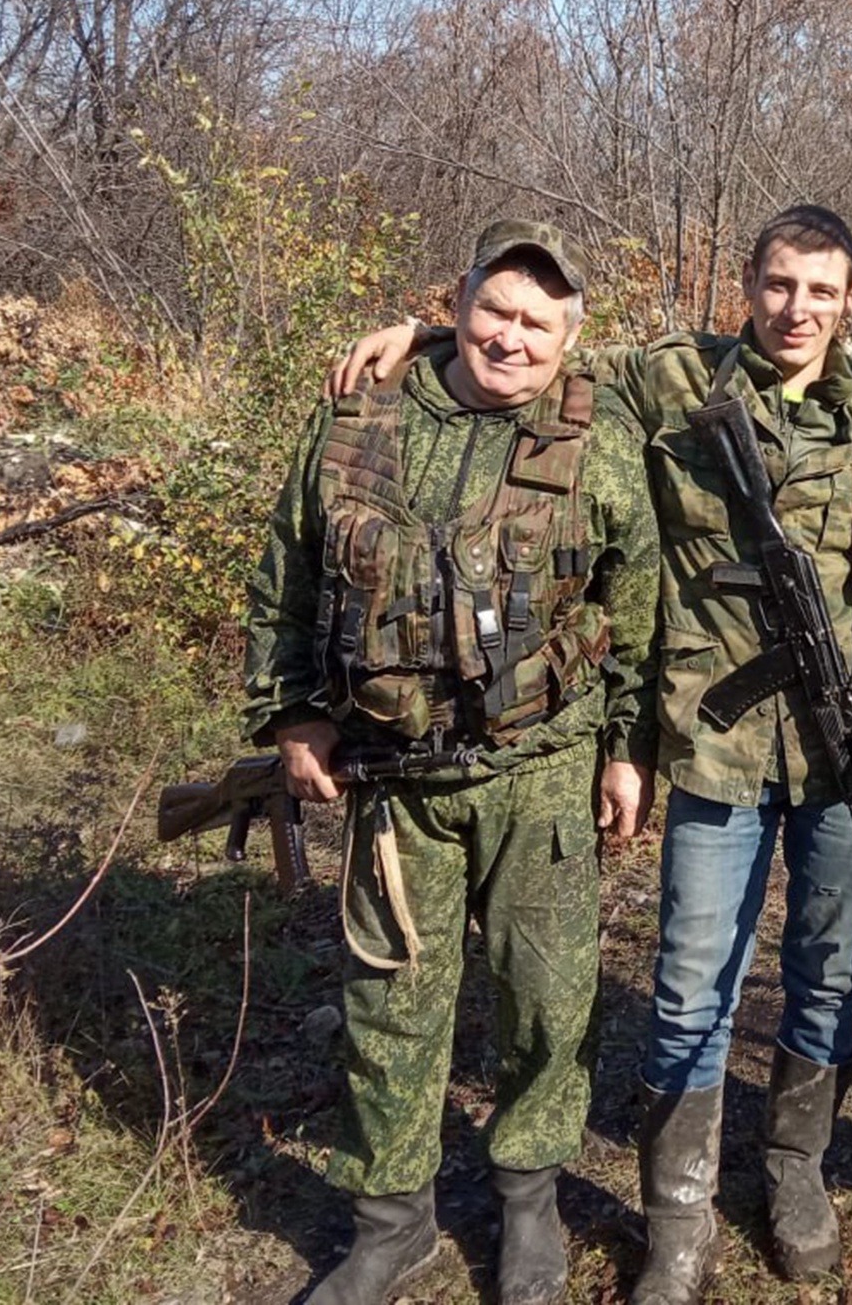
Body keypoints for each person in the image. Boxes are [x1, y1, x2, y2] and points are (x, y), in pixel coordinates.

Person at [326, 205, 852, 1302]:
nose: (796, 310)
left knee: (823, 972)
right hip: (715, 742)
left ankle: (793, 1172)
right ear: (749, 284)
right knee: (690, 983)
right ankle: (678, 1213)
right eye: (779, 285)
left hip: (846, 751)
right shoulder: (670, 381)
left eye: (821, 291)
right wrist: (426, 335)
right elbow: (535, 351)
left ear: (851, 301)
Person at [244, 220, 659, 1305]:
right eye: (493, 312)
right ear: (457, 302)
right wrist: (294, 718)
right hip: (394, 784)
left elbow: (638, 609)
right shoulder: (357, 413)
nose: (510, 339)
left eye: (536, 323)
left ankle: (528, 1202)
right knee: (390, 1004)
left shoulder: (601, 431)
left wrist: (626, 751)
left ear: (570, 338)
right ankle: (391, 1223)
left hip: (542, 772)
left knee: (546, 1000)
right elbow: (286, 576)